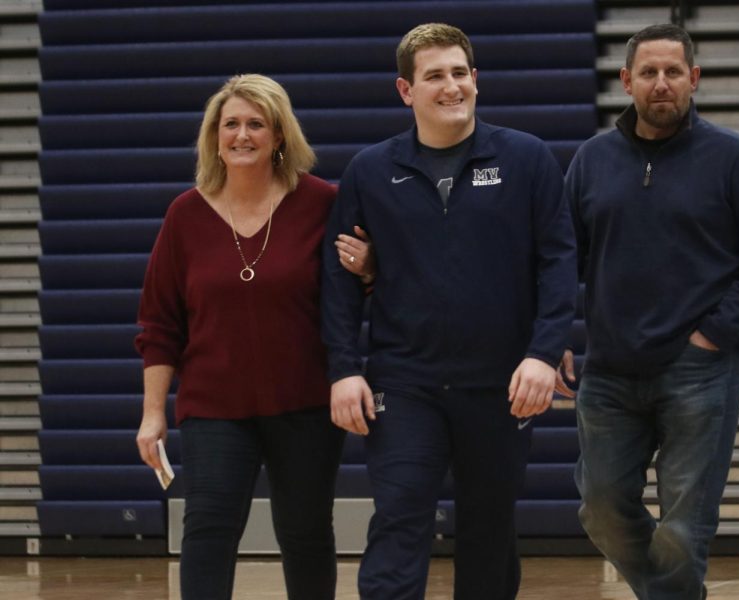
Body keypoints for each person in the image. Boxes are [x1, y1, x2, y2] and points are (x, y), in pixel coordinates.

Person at [320, 23, 577, 600]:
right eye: (434, 75)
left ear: (476, 80)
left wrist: (541, 352)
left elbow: (559, 265)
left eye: (460, 73)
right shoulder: (368, 171)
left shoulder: (528, 159)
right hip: (404, 383)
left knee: (489, 532)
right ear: (406, 91)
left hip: (501, 383)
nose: (451, 86)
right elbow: (339, 279)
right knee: (400, 517)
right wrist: (344, 367)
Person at [561, 24, 739, 600]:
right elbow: (563, 258)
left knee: (684, 527)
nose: (660, 84)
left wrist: (714, 333)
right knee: (600, 508)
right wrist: (555, 336)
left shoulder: (734, 158)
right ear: (626, 81)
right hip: (609, 370)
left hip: (701, 368)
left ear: (693, 79)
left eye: (672, 72)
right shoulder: (591, 161)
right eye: (647, 73)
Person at [133, 74, 372, 600]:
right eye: (231, 125)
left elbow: (359, 291)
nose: (242, 135)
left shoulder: (323, 203)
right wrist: (153, 413)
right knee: (208, 530)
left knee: (306, 533)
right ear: (214, 137)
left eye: (256, 124)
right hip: (215, 407)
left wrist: (371, 267)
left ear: (279, 135)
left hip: (306, 403)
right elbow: (159, 324)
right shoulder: (184, 216)